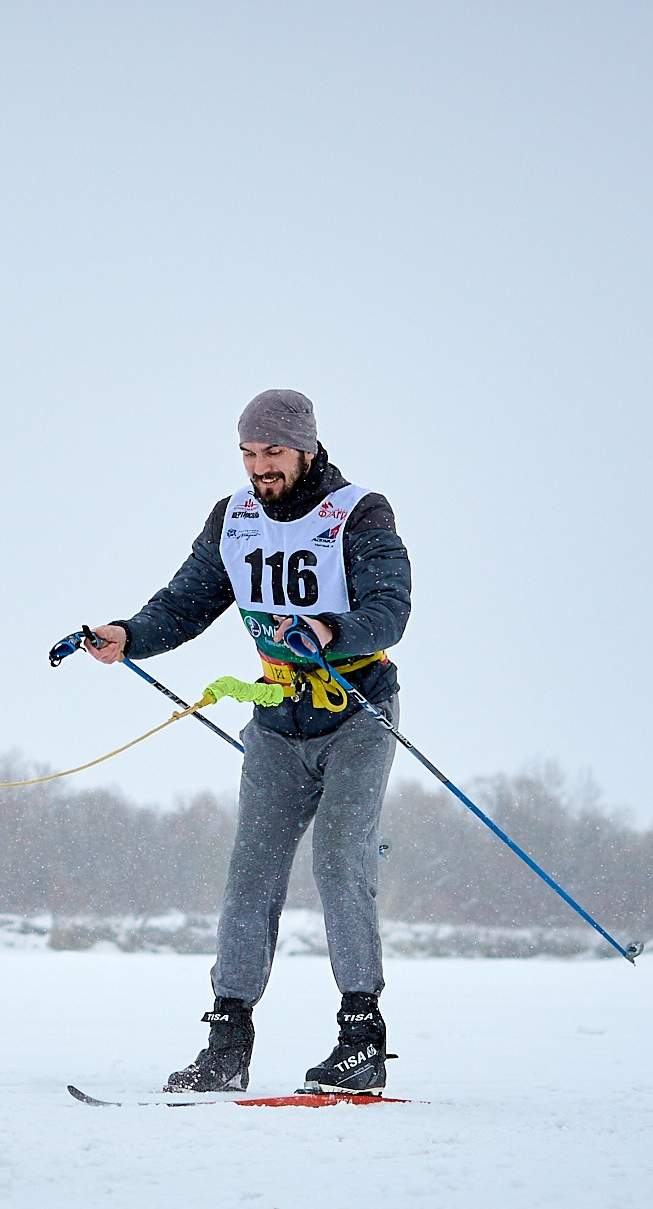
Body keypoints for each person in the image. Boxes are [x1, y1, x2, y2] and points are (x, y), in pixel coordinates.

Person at [85, 389, 412, 1093]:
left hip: (357, 711)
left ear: (307, 448)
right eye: (249, 453)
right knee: (251, 874)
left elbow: (391, 608)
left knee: (338, 862)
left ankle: (360, 1035)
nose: (260, 467)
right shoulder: (233, 517)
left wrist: (332, 629)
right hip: (276, 720)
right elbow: (189, 600)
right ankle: (227, 1042)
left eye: (273, 453)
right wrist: (130, 634)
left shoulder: (359, 513)